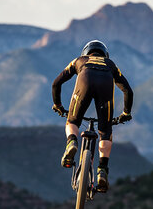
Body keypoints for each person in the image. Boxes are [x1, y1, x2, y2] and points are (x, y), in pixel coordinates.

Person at [51, 40, 134, 193]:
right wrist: (126, 113)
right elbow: (128, 91)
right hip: (105, 87)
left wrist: (58, 105)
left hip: (85, 80)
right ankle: (102, 170)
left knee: (72, 120)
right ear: (104, 54)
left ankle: (72, 142)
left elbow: (56, 83)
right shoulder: (111, 64)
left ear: (86, 52)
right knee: (105, 133)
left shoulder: (79, 60)